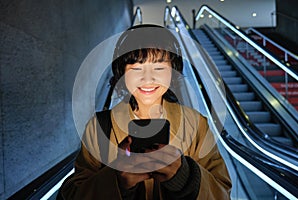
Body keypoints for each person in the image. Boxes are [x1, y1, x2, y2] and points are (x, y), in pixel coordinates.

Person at [58, 24, 232, 200]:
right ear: (122, 73)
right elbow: (72, 193)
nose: (148, 79)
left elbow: (222, 191)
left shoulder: (195, 124)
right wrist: (116, 181)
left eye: (159, 68)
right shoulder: (100, 127)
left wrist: (185, 178)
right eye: (136, 68)